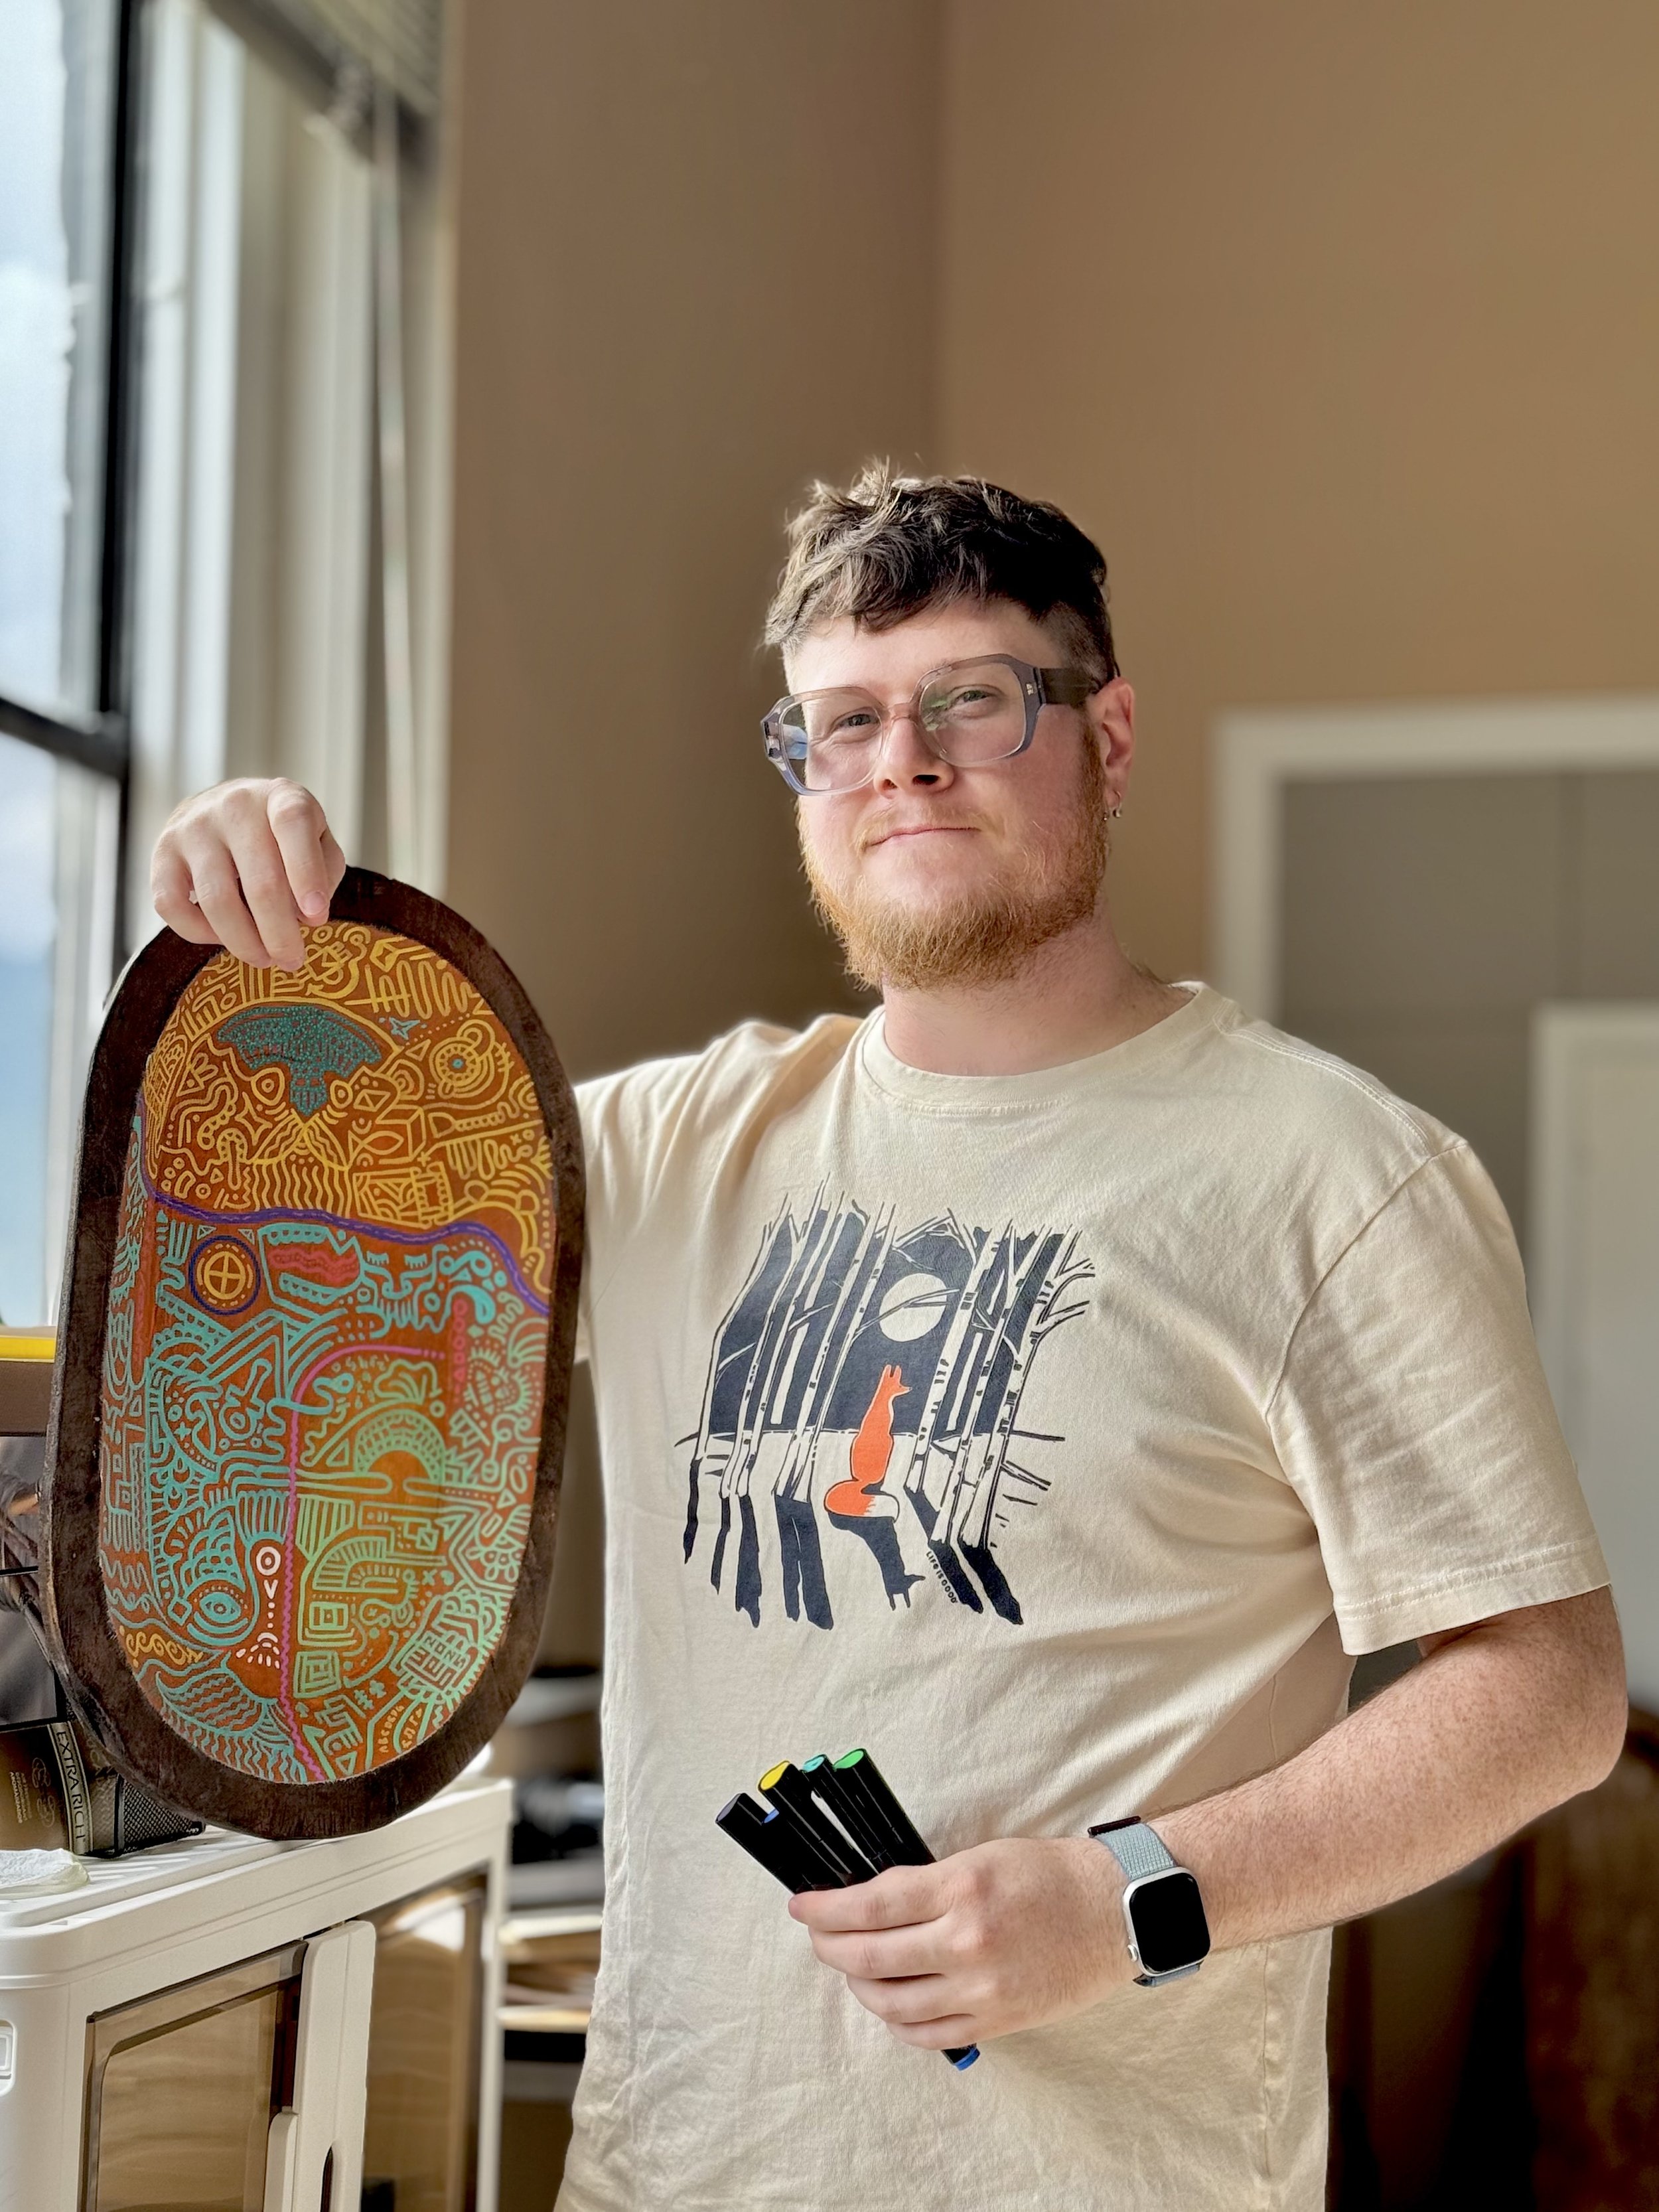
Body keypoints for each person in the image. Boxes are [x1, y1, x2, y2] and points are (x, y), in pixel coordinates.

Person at [152, 468, 1625, 2211]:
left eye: (972, 701)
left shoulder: (1331, 1179)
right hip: (680, 2170)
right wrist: (235, 906)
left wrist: (1125, 1894)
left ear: (1110, 735)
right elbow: (255, 1249)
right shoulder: (657, 1155)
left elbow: (1546, 1691)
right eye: (839, 722)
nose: (900, 762)